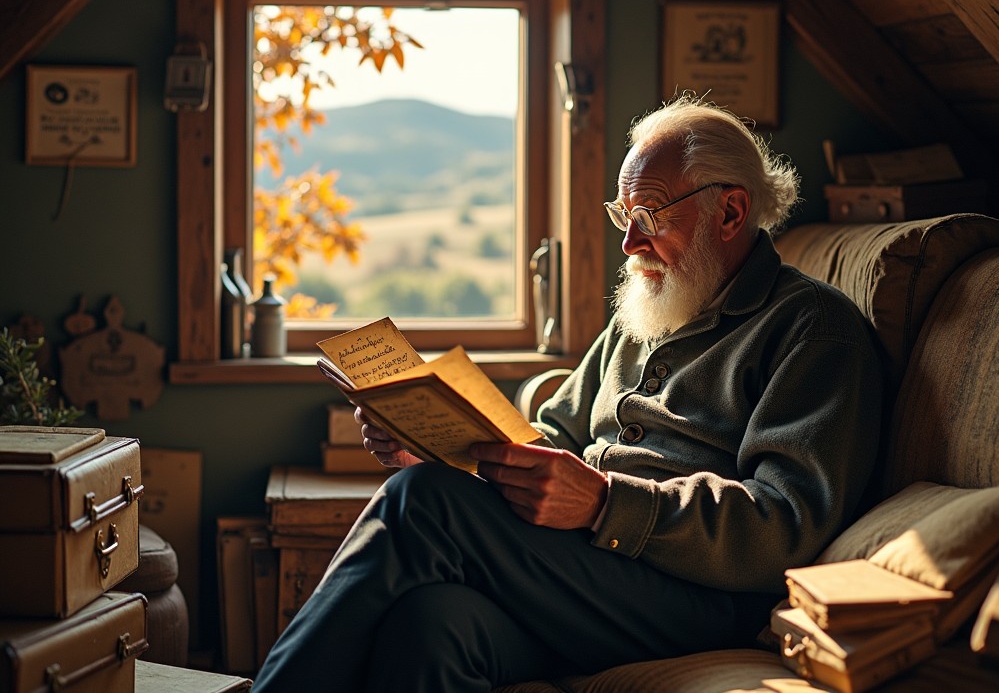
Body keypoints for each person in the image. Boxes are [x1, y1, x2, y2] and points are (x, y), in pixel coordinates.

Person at [252, 96, 884, 692]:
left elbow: (787, 523)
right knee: (431, 623)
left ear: (729, 212)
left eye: (648, 218)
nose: (630, 244)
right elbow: (553, 439)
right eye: (622, 217)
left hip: (695, 595)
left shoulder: (813, 328)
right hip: (582, 576)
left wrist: (607, 502)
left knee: (421, 503)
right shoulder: (651, 311)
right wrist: (441, 449)